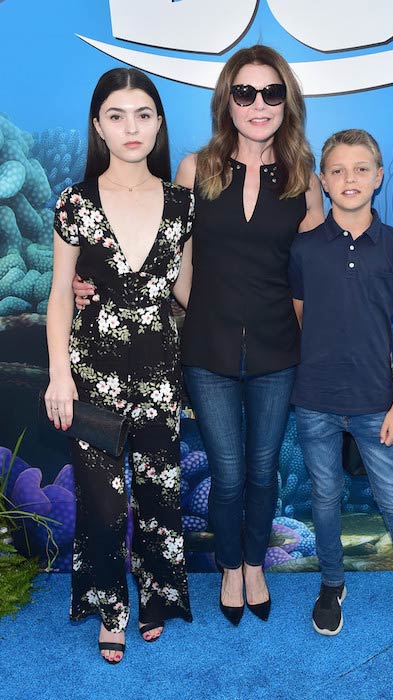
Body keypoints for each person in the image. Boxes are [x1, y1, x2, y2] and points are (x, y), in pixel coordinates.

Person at [75, 45, 324, 625]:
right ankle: (231, 567)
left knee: (264, 470)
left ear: (286, 102)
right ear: (227, 102)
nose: (258, 104)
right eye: (245, 93)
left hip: (277, 351)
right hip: (206, 351)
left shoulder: (304, 180)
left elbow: (318, 275)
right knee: (229, 470)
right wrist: (91, 280)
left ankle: (254, 567)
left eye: (270, 93)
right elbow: (164, 256)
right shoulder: (193, 169)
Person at [45, 67, 193, 664]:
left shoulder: (182, 204)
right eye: (116, 115)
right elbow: (59, 294)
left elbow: (188, 290)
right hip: (92, 377)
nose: (131, 127)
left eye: (143, 114)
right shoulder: (74, 202)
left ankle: (158, 595)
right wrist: (60, 375)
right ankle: (111, 605)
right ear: (98, 127)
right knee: (102, 501)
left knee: (160, 492)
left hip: (161, 373)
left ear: (159, 124)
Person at [289, 129, 393, 639]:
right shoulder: (303, 249)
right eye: (336, 170)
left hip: (377, 402)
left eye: (361, 169)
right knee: (324, 497)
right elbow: (302, 316)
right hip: (315, 400)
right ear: (322, 179)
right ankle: (331, 583)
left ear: (379, 177)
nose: (349, 179)